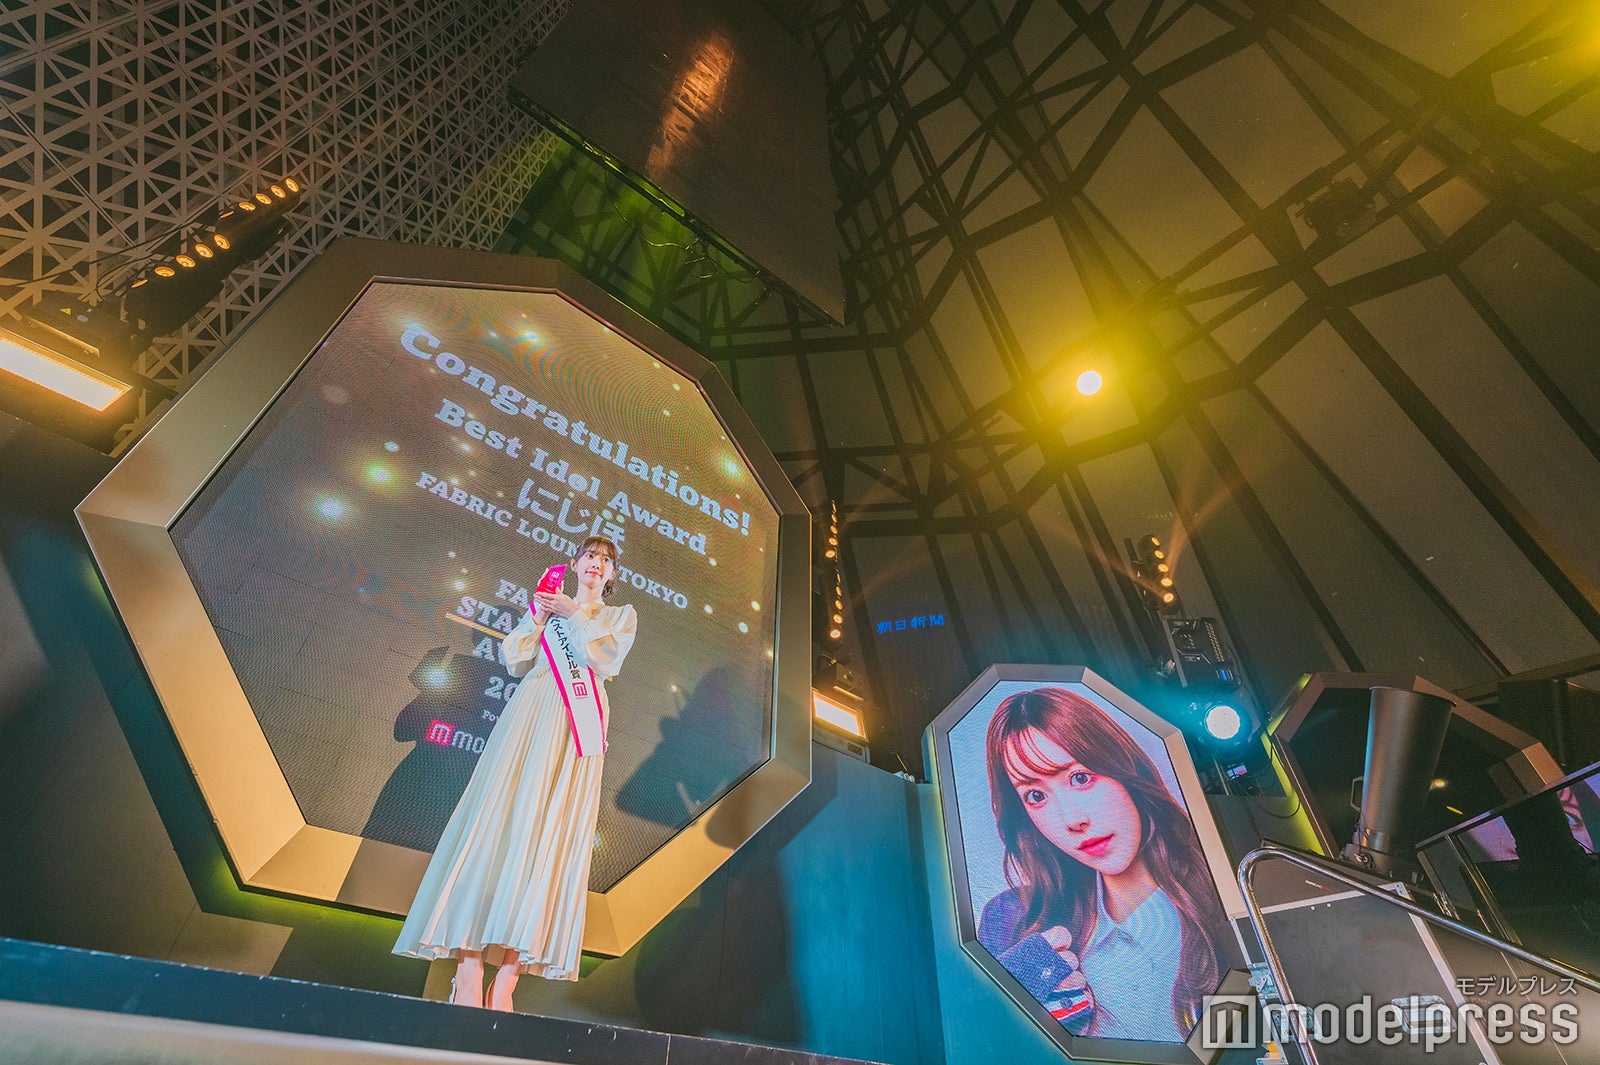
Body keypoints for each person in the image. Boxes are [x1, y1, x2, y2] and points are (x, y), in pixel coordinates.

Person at [393, 535, 638, 1009]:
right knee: (498, 820)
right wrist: (541, 616)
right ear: (574, 564)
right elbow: (515, 659)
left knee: (547, 832)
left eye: (606, 560)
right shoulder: (548, 607)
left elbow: (606, 658)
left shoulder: (619, 616)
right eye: (589, 555)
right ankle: (467, 967)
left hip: (577, 721)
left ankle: (507, 978)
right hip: (532, 710)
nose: (596, 563)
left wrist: (573, 612)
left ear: (611, 576)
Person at [977, 687, 1229, 1043]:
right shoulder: (1011, 920)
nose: (1072, 819)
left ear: (1125, 769)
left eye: (1080, 778)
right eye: (1036, 795)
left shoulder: (1226, 895)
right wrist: (1012, 1018)